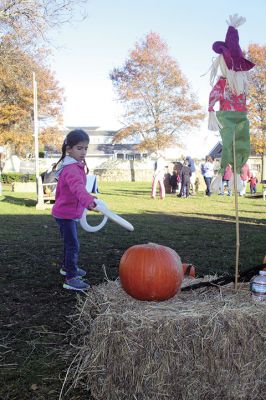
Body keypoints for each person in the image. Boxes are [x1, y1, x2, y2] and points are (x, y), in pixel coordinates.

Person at [207, 14, 255, 176]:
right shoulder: (223, 82)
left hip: (241, 116)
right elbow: (213, 96)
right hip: (227, 116)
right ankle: (223, 172)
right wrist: (211, 110)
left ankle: (237, 171)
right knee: (228, 143)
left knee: (243, 141)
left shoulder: (241, 84)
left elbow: (213, 96)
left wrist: (211, 107)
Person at [52, 129, 97, 291]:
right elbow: (77, 188)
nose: (83, 152)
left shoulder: (74, 165)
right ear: (69, 149)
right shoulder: (72, 169)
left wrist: (89, 198)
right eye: (79, 148)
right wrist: (88, 201)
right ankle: (70, 277)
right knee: (73, 245)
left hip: (65, 213)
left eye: (85, 148)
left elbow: (77, 190)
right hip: (66, 214)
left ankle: (66, 267)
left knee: (69, 243)